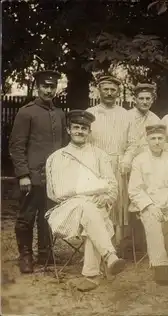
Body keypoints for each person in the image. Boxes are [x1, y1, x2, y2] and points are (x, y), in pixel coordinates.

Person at [45, 110, 126, 291]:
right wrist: (92, 189)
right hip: (67, 210)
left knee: (93, 213)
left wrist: (105, 195)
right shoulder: (57, 157)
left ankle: (92, 274)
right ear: (68, 130)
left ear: (89, 132)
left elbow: (112, 186)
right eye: (76, 127)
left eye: (84, 128)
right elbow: (56, 192)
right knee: (90, 209)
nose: (80, 131)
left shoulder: (100, 155)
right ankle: (109, 256)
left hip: (96, 208)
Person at [9, 70, 67, 273]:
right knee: (27, 217)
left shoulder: (59, 114)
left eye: (52, 87)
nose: (48, 90)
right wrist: (23, 174)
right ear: (37, 87)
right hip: (31, 177)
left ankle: (45, 253)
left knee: (48, 215)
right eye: (45, 86)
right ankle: (25, 256)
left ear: (56, 89)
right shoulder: (27, 112)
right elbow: (16, 146)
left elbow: (63, 147)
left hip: (52, 178)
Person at [128, 124, 168, 285]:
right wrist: (150, 205)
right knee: (152, 219)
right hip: (148, 204)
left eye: (160, 138)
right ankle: (160, 264)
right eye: (153, 138)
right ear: (147, 140)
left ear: (165, 140)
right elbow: (135, 190)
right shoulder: (139, 161)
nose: (157, 142)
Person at [86, 75, 130, 243]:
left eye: (113, 90)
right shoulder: (90, 113)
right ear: (99, 91)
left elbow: (132, 143)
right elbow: (85, 142)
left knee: (118, 204)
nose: (109, 93)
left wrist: (126, 159)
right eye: (106, 89)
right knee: (98, 202)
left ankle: (116, 246)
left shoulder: (125, 114)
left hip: (119, 164)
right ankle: (97, 243)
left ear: (118, 92)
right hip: (96, 165)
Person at [121, 83, 162, 174]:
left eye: (148, 99)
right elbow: (121, 143)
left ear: (152, 100)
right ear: (135, 100)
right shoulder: (126, 116)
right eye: (141, 98)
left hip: (149, 163)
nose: (144, 102)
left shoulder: (156, 120)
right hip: (127, 162)